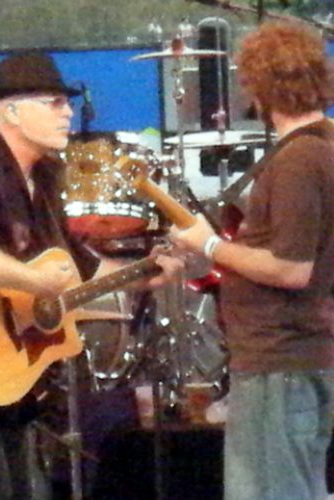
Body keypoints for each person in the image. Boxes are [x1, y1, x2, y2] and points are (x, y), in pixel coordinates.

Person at [0, 50, 182, 499]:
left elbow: (76, 267)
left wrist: (141, 273)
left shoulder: (43, 178)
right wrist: (34, 282)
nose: (68, 113)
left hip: (1, 376)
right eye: (54, 103)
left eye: (67, 103)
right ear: (12, 112)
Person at [171, 21, 334, 500]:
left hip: (278, 365)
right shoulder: (322, 149)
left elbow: (291, 269)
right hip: (296, 361)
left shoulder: (298, 161)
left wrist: (209, 246)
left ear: (259, 88)